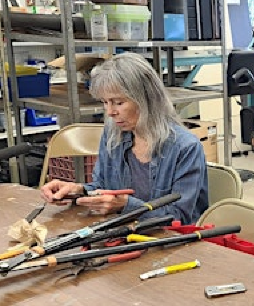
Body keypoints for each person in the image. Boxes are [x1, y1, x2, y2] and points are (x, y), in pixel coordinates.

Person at [40, 53, 209, 224]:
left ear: (146, 99)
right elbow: (102, 187)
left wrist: (126, 206)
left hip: (174, 241)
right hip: (126, 232)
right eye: (105, 102)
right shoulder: (113, 134)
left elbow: (179, 217)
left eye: (118, 103)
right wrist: (80, 191)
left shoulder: (185, 147)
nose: (110, 112)